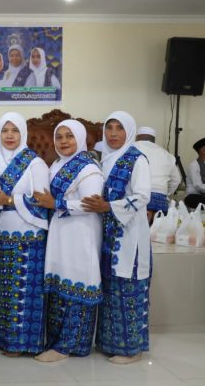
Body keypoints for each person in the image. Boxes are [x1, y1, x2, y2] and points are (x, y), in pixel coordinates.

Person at [31, 120, 104, 362]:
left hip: (81, 233)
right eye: (59, 136)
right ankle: (59, 342)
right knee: (61, 283)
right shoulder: (56, 165)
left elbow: (91, 203)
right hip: (61, 230)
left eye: (69, 136)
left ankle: (69, 345)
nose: (63, 141)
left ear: (81, 139)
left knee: (77, 281)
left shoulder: (88, 168)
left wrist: (56, 203)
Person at [88, 111, 152, 365]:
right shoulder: (105, 160)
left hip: (130, 236)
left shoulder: (137, 159)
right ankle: (110, 343)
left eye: (119, 128)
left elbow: (143, 196)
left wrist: (108, 206)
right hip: (109, 235)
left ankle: (131, 349)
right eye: (109, 128)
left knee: (128, 289)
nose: (113, 134)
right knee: (111, 289)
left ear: (130, 131)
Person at [0, 112, 49, 355]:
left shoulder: (35, 163)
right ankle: (6, 339)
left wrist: (10, 200)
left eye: (15, 130)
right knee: (7, 292)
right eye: (5, 130)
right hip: (3, 235)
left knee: (23, 291)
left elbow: (43, 202)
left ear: (23, 134)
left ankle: (23, 343)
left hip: (29, 236)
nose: (9, 136)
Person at [135, 126, 180, 219]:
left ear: (137, 137)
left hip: (137, 198)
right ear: (154, 139)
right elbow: (177, 180)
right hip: (160, 201)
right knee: (158, 227)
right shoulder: (167, 154)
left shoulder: (131, 148)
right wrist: (164, 193)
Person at [184, 137, 205, 209]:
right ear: (203, 151)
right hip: (194, 196)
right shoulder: (193, 165)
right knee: (192, 199)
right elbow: (198, 185)